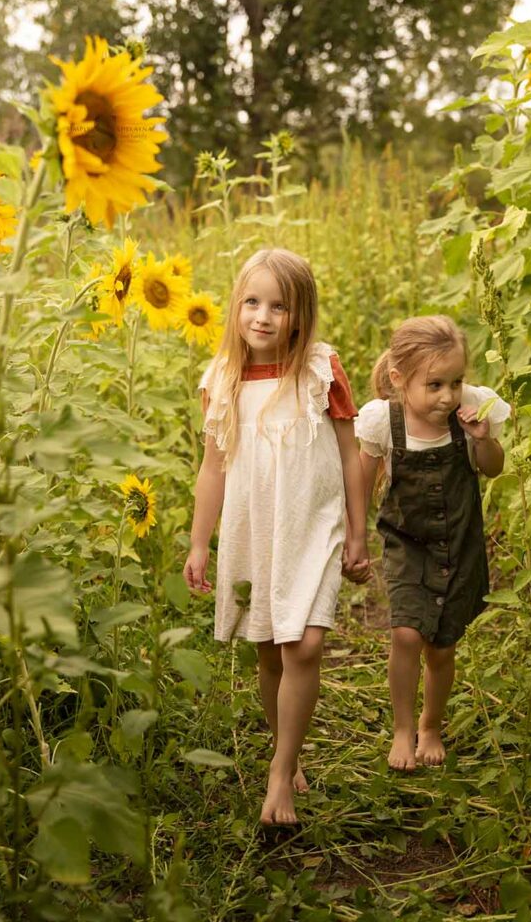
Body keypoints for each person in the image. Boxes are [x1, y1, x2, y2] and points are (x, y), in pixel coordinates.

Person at [183, 248, 369, 825]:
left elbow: (349, 450)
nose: (262, 317)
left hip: (312, 521)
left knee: (304, 645)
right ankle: (288, 751)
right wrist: (198, 542)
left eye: (279, 306)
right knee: (269, 648)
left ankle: (277, 776)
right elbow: (213, 468)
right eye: (252, 302)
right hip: (253, 525)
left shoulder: (320, 368)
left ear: (301, 313)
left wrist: (359, 534)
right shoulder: (222, 378)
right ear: (236, 308)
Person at [351, 315, 510, 771]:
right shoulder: (384, 421)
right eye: (435, 384)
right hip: (407, 545)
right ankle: (402, 729)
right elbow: (361, 486)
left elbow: (494, 468)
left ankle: (431, 724)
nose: (447, 396)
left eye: (456, 382)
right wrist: (356, 539)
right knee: (405, 633)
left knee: (441, 646)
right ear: (400, 380)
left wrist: (483, 441)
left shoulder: (471, 411)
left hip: (459, 545)